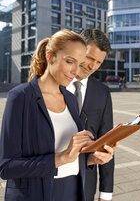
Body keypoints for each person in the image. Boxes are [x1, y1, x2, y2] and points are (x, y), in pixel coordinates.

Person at [0, 29, 115, 201]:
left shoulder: (69, 98)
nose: (76, 71)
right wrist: (62, 157)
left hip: (74, 191)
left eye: (80, 63)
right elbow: (6, 167)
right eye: (70, 61)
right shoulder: (20, 97)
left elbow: (70, 158)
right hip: (36, 194)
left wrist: (91, 159)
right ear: (50, 56)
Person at [67, 29, 114, 201]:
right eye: (90, 58)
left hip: (86, 186)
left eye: (99, 62)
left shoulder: (103, 92)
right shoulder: (53, 84)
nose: (92, 66)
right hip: (50, 182)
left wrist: (106, 194)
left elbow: (107, 141)